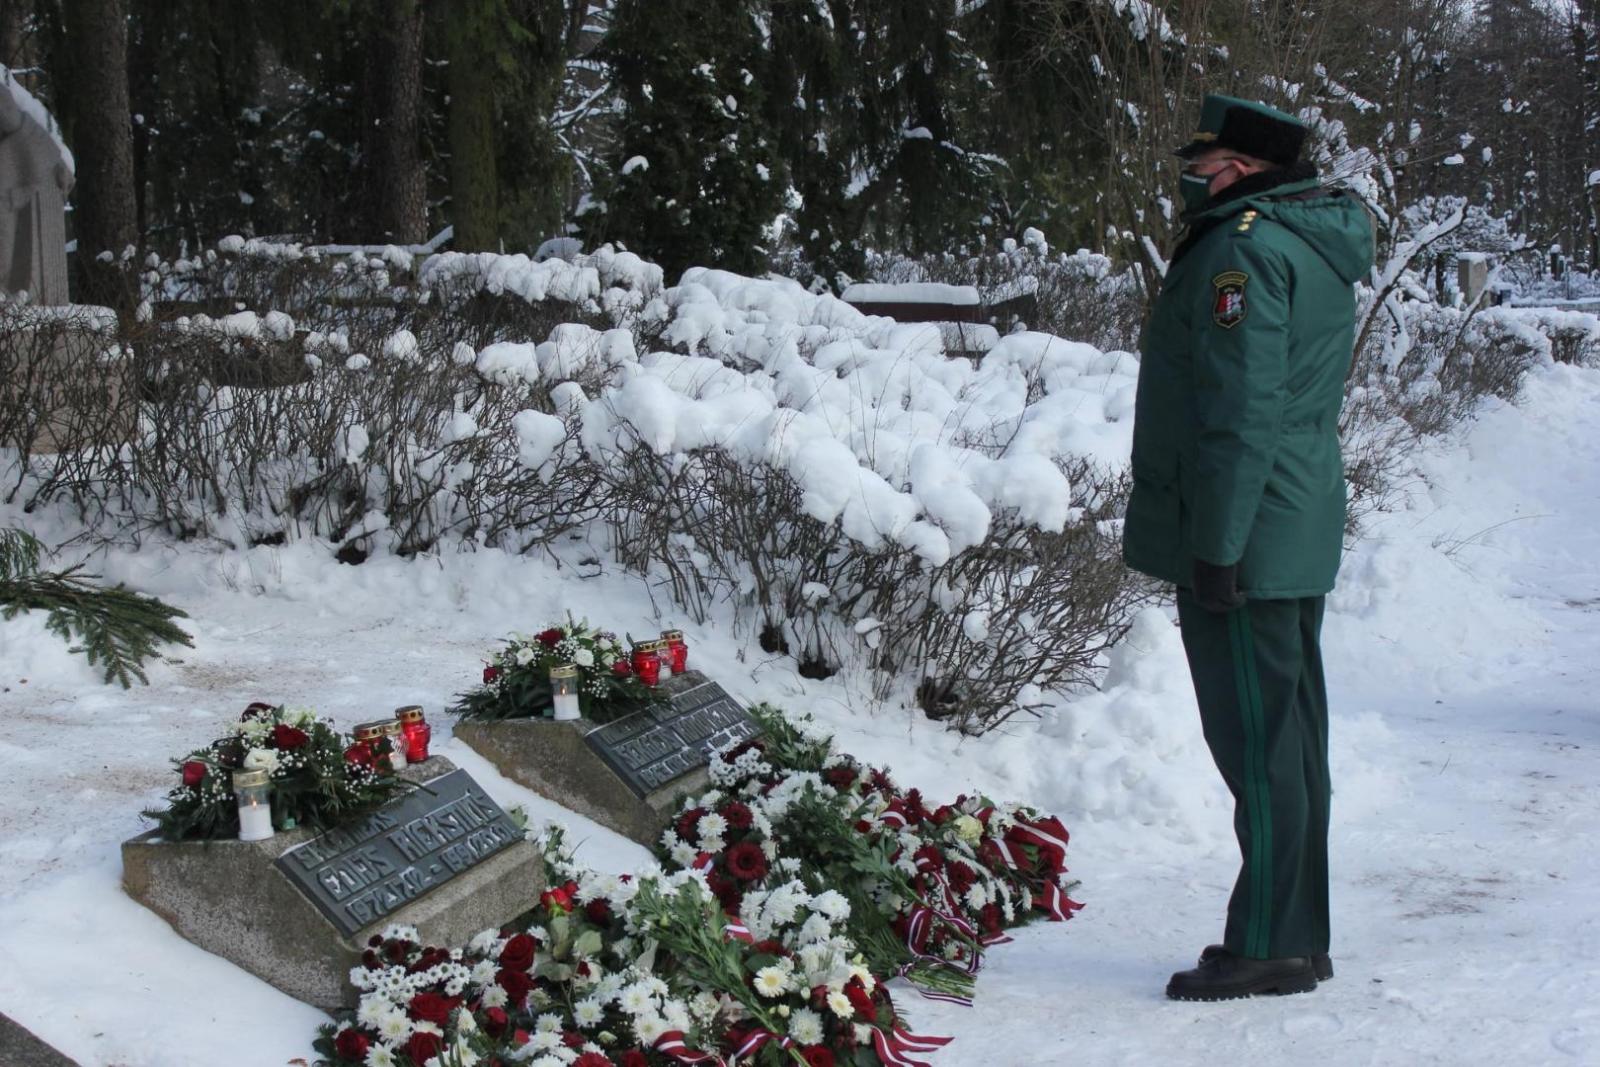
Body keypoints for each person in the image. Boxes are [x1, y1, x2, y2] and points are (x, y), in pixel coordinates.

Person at [1121, 94, 1375, 1001]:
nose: (1194, 176)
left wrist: (1217, 546)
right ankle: (1297, 933)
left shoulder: (1244, 251)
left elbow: (1239, 411)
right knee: (1293, 738)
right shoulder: (1308, 237)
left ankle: (1270, 941)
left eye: (1207, 161)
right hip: (1290, 518)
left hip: (1249, 528)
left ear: (1244, 167)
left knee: (1262, 745)